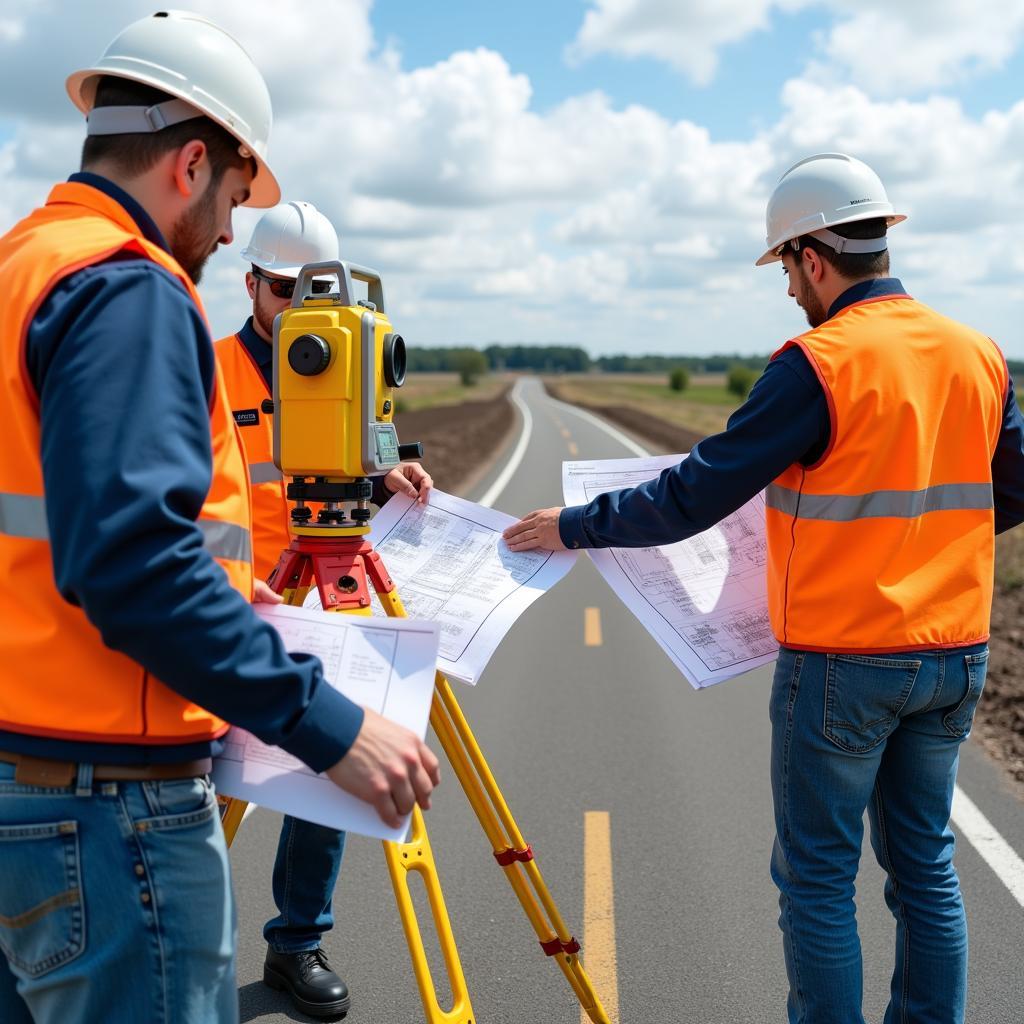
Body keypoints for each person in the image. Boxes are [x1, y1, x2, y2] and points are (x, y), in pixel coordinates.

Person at [503, 152, 1024, 1024]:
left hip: (843, 665)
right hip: (954, 655)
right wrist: (930, 545)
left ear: (813, 257)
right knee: (926, 865)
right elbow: (1012, 486)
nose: (787, 289)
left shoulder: (817, 364)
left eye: (785, 267)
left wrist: (575, 523)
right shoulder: (980, 354)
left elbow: (692, 495)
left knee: (818, 877)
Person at [0, 12, 438, 1024]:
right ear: (192, 163)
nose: (232, 229)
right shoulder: (126, 289)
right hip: (105, 798)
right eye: (238, 196)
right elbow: (136, 561)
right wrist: (329, 727)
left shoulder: (25, 264)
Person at [215, 199, 432, 1017]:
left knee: (330, 770)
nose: (302, 309)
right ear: (252, 287)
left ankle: (297, 944)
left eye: (315, 292)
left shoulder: (355, 357)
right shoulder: (209, 370)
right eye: (284, 289)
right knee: (206, 783)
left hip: (327, 587)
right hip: (243, 603)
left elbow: (371, 441)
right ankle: (186, 950)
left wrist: (392, 473)